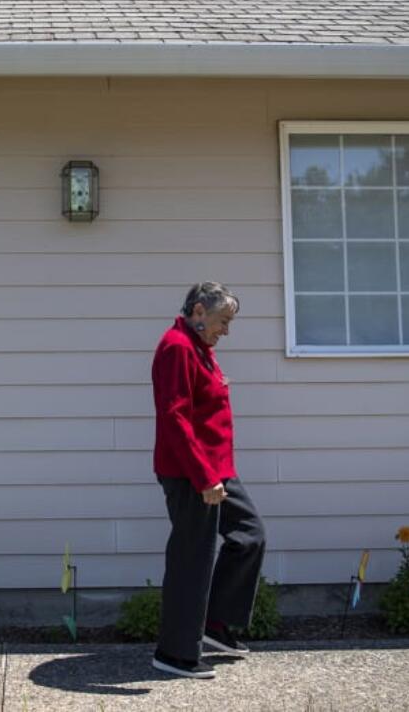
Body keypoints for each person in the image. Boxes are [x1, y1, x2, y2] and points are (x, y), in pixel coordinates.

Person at [149, 281, 267, 679]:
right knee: (192, 560)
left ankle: (215, 625)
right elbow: (176, 417)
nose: (226, 331)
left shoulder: (199, 349)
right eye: (222, 321)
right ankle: (175, 653)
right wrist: (202, 478)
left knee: (249, 534)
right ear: (199, 311)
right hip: (191, 473)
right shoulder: (177, 347)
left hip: (217, 468)